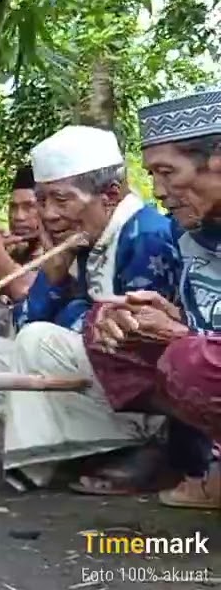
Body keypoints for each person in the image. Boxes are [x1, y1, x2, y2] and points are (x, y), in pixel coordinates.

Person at [0, 125, 179, 492]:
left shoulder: (146, 235)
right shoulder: (82, 236)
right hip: (100, 376)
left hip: (145, 397)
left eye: (61, 199)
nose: (48, 215)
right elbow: (22, 327)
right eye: (42, 200)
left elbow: (134, 341)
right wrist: (52, 279)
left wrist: (69, 316)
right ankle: (90, 450)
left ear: (110, 195)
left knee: (38, 341)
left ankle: (143, 447)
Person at [84, 88, 221, 509]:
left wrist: (185, 336)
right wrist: (161, 317)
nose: (157, 190)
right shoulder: (187, 234)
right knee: (110, 322)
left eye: (167, 172)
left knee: (192, 361)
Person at [0, 165, 43, 336]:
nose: (18, 216)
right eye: (13, 207)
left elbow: (24, 290)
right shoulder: (14, 251)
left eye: (29, 207)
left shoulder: (66, 250)